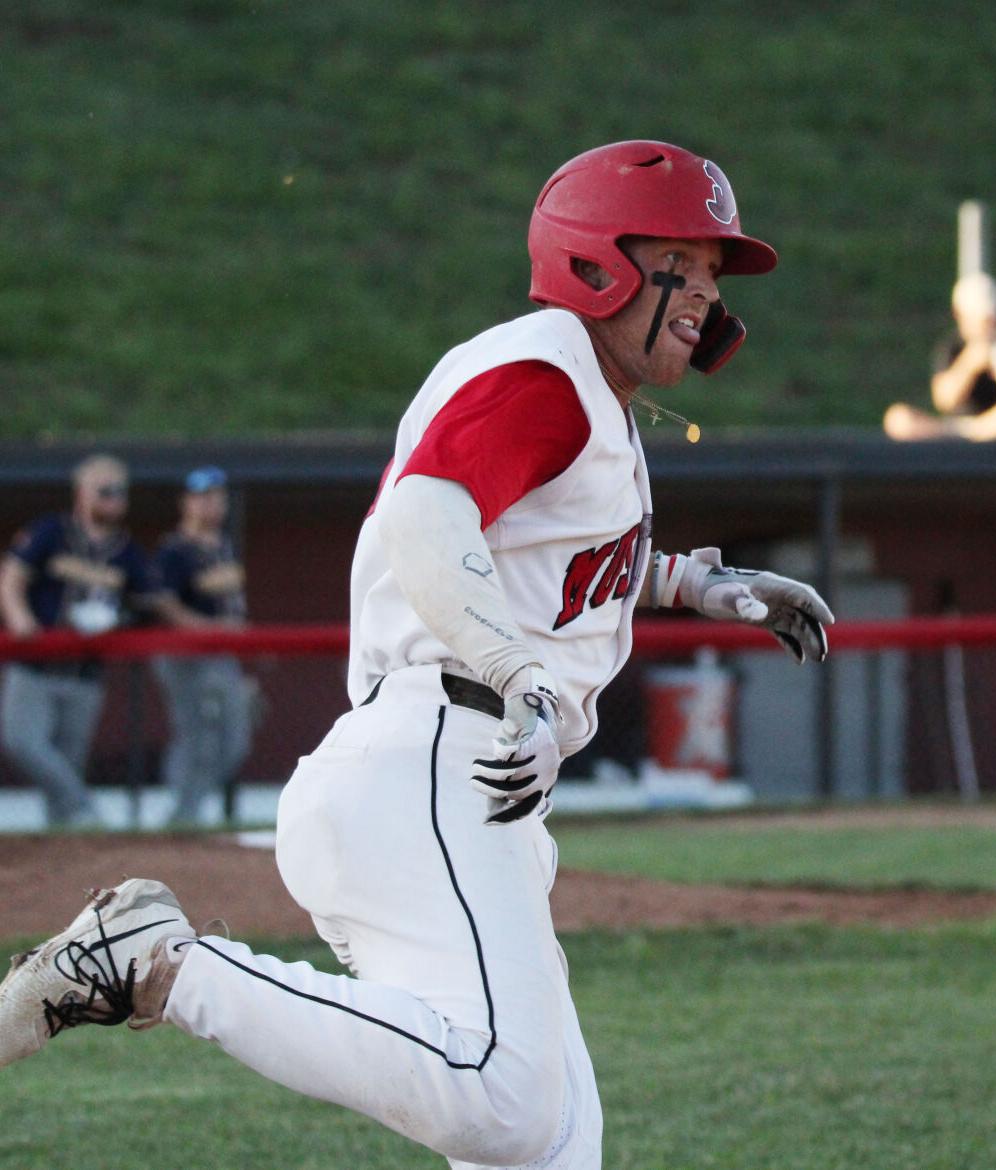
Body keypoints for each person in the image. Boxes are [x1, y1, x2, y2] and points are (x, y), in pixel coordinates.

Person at [0, 141, 834, 1169]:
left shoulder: (582, 392)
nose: (710, 290)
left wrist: (688, 583)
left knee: (552, 1148)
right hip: (440, 757)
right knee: (509, 1108)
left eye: (717, 269)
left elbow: (541, 548)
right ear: (600, 258)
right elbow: (428, 518)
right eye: (689, 260)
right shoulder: (548, 371)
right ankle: (161, 965)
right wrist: (521, 672)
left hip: (450, 775)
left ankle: (159, 962)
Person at [0, 454, 166, 827]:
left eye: (120, 492)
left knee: (68, 759)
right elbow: (11, 577)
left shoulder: (127, 551)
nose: (113, 500)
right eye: (104, 491)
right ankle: (86, 810)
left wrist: (118, 621)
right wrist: (19, 617)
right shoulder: (51, 532)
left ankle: (65, 848)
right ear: (82, 493)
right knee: (21, 741)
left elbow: (148, 605)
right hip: (35, 663)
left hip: (85, 672)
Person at [152, 466, 254, 825]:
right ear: (187, 503)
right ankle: (184, 814)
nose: (211, 505)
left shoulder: (223, 547)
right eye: (202, 498)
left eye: (217, 498)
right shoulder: (175, 550)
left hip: (221, 656)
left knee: (234, 739)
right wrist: (211, 628)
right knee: (195, 737)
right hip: (185, 655)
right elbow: (164, 605)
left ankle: (188, 810)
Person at [883, 271, 996, 441]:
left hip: (995, 428)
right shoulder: (952, 347)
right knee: (898, 419)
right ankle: (963, 435)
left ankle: (972, 435)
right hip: (953, 427)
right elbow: (943, 400)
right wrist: (970, 363)